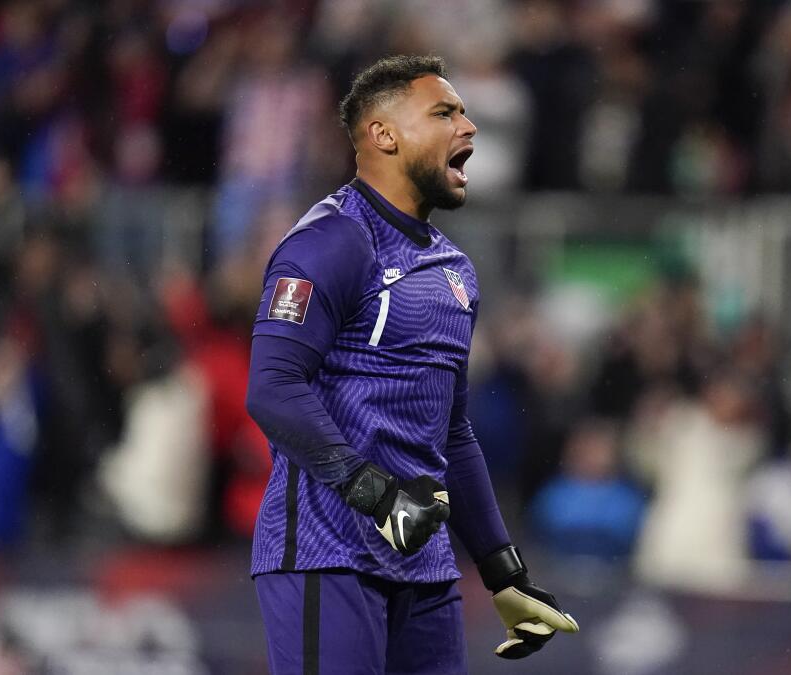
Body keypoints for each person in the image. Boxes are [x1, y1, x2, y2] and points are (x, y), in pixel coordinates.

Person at [245, 55, 578, 674]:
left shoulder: (456, 271)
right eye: (445, 112)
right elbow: (272, 389)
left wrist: (502, 569)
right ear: (384, 135)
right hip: (327, 554)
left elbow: (453, 433)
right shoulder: (329, 242)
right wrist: (374, 494)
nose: (469, 127)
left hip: (423, 569)